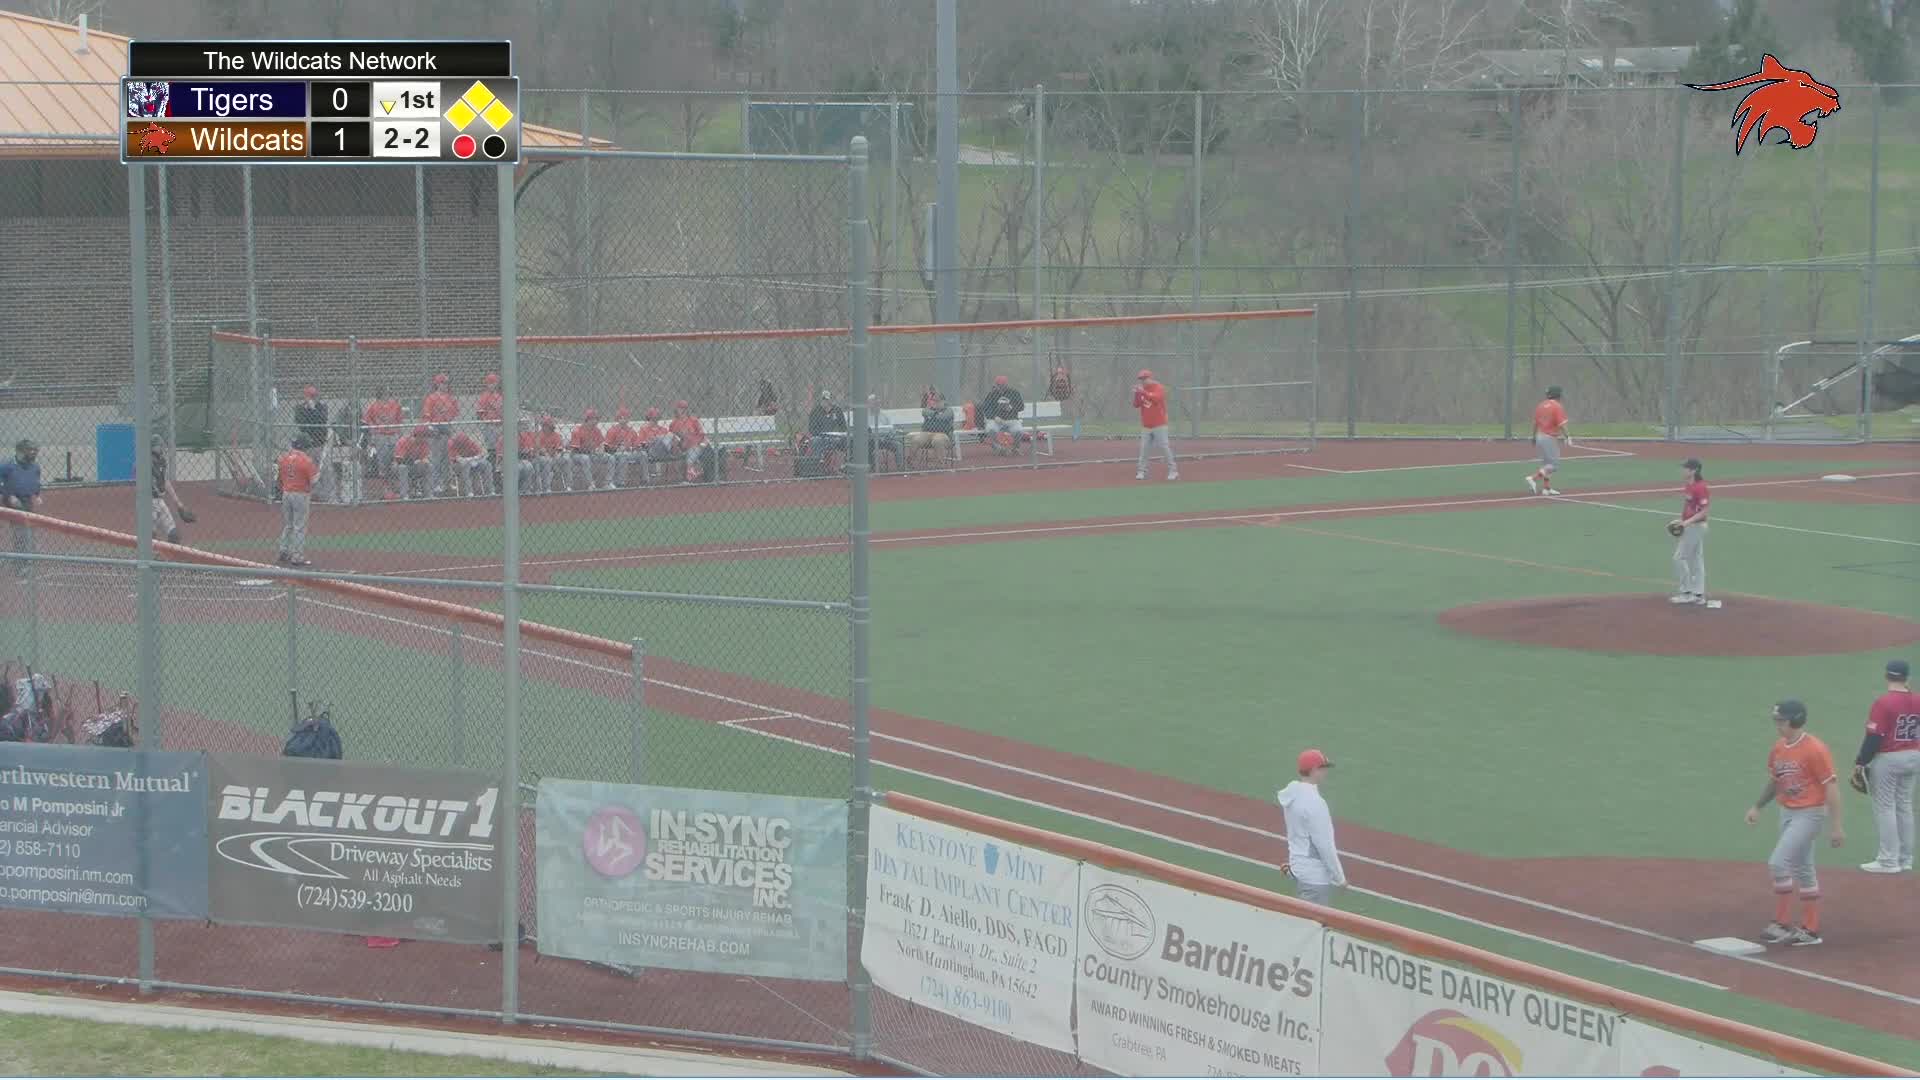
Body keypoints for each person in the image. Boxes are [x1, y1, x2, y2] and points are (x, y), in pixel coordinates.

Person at [1747, 699, 1844, 946]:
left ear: (1796, 720)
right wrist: (1758, 806)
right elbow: (1775, 780)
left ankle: (1780, 924)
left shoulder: (1815, 749)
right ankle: (1810, 930)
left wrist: (1836, 826)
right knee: (1803, 868)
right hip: (1787, 813)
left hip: (1810, 813)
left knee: (1778, 864)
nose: (1778, 725)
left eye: (1781, 720)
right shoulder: (1779, 747)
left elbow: (1831, 787)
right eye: (1777, 720)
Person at [1855, 659, 1917, 874]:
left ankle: (1888, 861)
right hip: (1914, 756)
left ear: (1887, 676)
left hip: (1890, 758)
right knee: (1904, 805)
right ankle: (1905, 859)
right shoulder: (1918, 699)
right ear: (1907, 677)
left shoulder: (1883, 702)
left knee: (1885, 807)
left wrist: (1860, 762)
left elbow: (1875, 736)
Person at [1277, 749, 1346, 906]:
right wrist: (1340, 878)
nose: (1325, 772)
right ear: (1314, 770)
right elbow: (1325, 845)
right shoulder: (1316, 803)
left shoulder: (1292, 795)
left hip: (1298, 868)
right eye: (1323, 768)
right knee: (1312, 925)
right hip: (1315, 878)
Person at [0, 439, 44, 578]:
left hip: (25, 502)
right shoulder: (6, 466)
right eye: (29, 450)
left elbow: (35, 483)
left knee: (23, 533)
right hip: (9, 500)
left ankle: (21, 564)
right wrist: (9, 495)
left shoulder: (35, 467)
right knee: (20, 532)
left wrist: (36, 495)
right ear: (19, 452)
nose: (32, 453)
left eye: (34, 451)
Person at [1669, 457, 1710, 605]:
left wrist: (1686, 523)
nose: (1683, 470)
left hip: (1696, 527)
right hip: (1691, 526)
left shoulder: (1700, 487)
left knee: (1679, 558)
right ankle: (1698, 594)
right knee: (1696, 559)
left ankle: (1686, 592)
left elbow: (1704, 511)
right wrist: (1681, 520)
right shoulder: (1689, 485)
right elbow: (1689, 508)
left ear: (1694, 470)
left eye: (1686, 468)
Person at [275, 438, 317, 567]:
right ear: (305, 448)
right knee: (299, 525)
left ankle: (283, 551)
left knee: (288, 525)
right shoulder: (306, 460)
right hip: (301, 494)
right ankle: (297, 556)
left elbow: (279, 479)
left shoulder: (283, 458)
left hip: (286, 493)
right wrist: (318, 475)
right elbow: (313, 481)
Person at [1525, 386, 1572, 496]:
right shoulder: (1557, 407)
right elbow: (1562, 425)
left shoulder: (1540, 405)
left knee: (1546, 464)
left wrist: (1533, 437)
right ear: (1558, 395)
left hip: (1540, 436)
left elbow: (1535, 423)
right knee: (1553, 465)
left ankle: (1546, 488)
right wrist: (1568, 437)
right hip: (1549, 438)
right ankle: (1533, 478)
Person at [1132, 369, 1177, 482]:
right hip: (1146, 425)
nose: (1143, 381)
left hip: (1159, 424)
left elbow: (1156, 399)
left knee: (1164, 447)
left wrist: (1143, 392)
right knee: (1144, 449)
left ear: (1150, 378)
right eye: (1141, 379)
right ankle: (1141, 471)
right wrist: (1137, 394)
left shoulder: (1158, 387)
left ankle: (1173, 471)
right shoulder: (1142, 390)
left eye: (1145, 378)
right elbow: (1136, 405)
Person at [150, 435, 194, 544]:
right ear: (152, 447)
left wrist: (179, 504)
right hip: (148, 502)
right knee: (151, 536)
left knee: (174, 535)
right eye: (159, 446)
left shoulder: (162, 461)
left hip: (160, 501)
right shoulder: (146, 461)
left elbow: (166, 482)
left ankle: (170, 560)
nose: (162, 448)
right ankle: (151, 559)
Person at [422, 373, 460, 496]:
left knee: (447, 458)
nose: (446, 385)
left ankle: (447, 483)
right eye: (443, 382)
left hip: (447, 428)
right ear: (437, 384)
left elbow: (455, 413)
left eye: (447, 383)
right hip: (435, 430)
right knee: (436, 459)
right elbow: (427, 417)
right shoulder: (431, 398)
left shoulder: (451, 398)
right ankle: (435, 484)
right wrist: (431, 429)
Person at [907, 386, 954, 467]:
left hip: (942, 434)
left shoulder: (948, 410)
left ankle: (940, 465)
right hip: (927, 434)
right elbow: (924, 412)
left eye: (937, 401)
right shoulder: (928, 409)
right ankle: (910, 462)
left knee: (937, 440)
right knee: (916, 439)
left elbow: (943, 417)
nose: (934, 402)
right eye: (933, 400)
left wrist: (934, 414)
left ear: (943, 401)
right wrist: (936, 413)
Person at [981, 375, 1026, 455]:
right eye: (999, 385)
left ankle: (1015, 448)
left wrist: (1011, 407)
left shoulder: (1014, 392)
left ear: (1006, 385)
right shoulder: (992, 394)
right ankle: (997, 447)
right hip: (996, 420)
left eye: (1002, 385)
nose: (1001, 387)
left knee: (1018, 431)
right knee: (990, 429)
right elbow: (986, 408)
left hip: (1011, 420)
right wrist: (994, 417)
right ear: (996, 385)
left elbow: (1021, 406)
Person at [568, 408, 611, 491]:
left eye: (597, 419)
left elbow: (601, 443)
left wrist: (601, 450)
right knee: (585, 458)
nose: (596, 421)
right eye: (594, 419)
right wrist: (590, 450)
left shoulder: (596, 430)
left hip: (593, 454)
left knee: (610, 458)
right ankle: (590, 484)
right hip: (577, 455)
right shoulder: (578, 430)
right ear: (588, 419)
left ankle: (608, 483)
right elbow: (575, 449)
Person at [668, 401, 708, 483]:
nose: (682, 410)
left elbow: (702, 435)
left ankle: (689, 476)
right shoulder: (673, 423)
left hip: (695, 446)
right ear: (676, 409)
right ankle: (693, 472)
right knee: (682, 453)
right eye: (680, 408)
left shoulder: (693, 420)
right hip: (682, 448)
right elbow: (672, 438)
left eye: (684, 408)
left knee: (693, 452)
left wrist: (701, 444)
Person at [604, 407, 643, 487]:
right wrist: (617, 448)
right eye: (621, 418)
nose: (623, 420)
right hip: (616, 453)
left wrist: (634, 448)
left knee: (643, 454)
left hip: (630, 453)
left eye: (626, 418)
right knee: (623, 456)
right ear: (617, 419)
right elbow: (607, 447)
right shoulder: (613, 430)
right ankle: (620, 482)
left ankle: (645, 480)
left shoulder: (631, 430)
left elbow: (637, 444)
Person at [392, 425, 433, 499]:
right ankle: (404, 495)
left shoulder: (424, 443)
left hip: (414, 467)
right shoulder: (403, 441)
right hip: (399, 467)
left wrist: (425, 460)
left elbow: (425, 457)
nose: (426, 438)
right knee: (402, 467)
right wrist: (414, 461)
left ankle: (428, 494)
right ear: (418, 435)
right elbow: (399, 460)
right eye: (425, 436)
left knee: (429, 466)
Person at [808, 392, 850, 462]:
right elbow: (811, 429)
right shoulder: (815, 411)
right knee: (815, 441)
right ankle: (817, 462)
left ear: (831, 400)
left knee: (847, 441)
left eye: (827, 400)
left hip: (835, 437)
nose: (825, 402)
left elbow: (843, 427)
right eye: (823, 399)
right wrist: (822, 435)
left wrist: (838, 434)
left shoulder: (837, 410)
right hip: (820, 437)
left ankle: (845, 463)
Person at [635, 407, 673, 485]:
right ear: (649, 418)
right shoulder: (644, 429)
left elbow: (669, 441)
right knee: (658, 439)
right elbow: (639, 444)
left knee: (668, 437)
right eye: (652, 418)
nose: (654, 420)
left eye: (656, 418)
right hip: (650, 452)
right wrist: (649, 442)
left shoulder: (663, 429)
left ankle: (659, 474)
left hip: (664, 452)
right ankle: (654, 475)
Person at [448, 429, 490, 497]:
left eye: (465, 442)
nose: (463, 445)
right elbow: (459, 459)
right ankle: (469, 492)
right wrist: (471, 459)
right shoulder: (452, 443)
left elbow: (482, 453)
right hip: (457, 466)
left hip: (472, 463)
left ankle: (490, 491)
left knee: (487, 464)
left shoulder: (469, 442)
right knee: (466, 466)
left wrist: (474, 459)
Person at [533, 414, 566, 493]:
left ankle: (568, 486)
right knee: (547, 461)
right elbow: (537, 450)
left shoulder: (556, 435)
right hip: (539, 459)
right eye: (547, 425)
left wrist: (557, 454)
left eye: (550, 425)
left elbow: (559, 449)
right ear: (543, 425)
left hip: (553, 458)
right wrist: (543, 452)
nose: (549, 427)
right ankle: (546, 487)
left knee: (566, 459)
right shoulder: (538, 435)